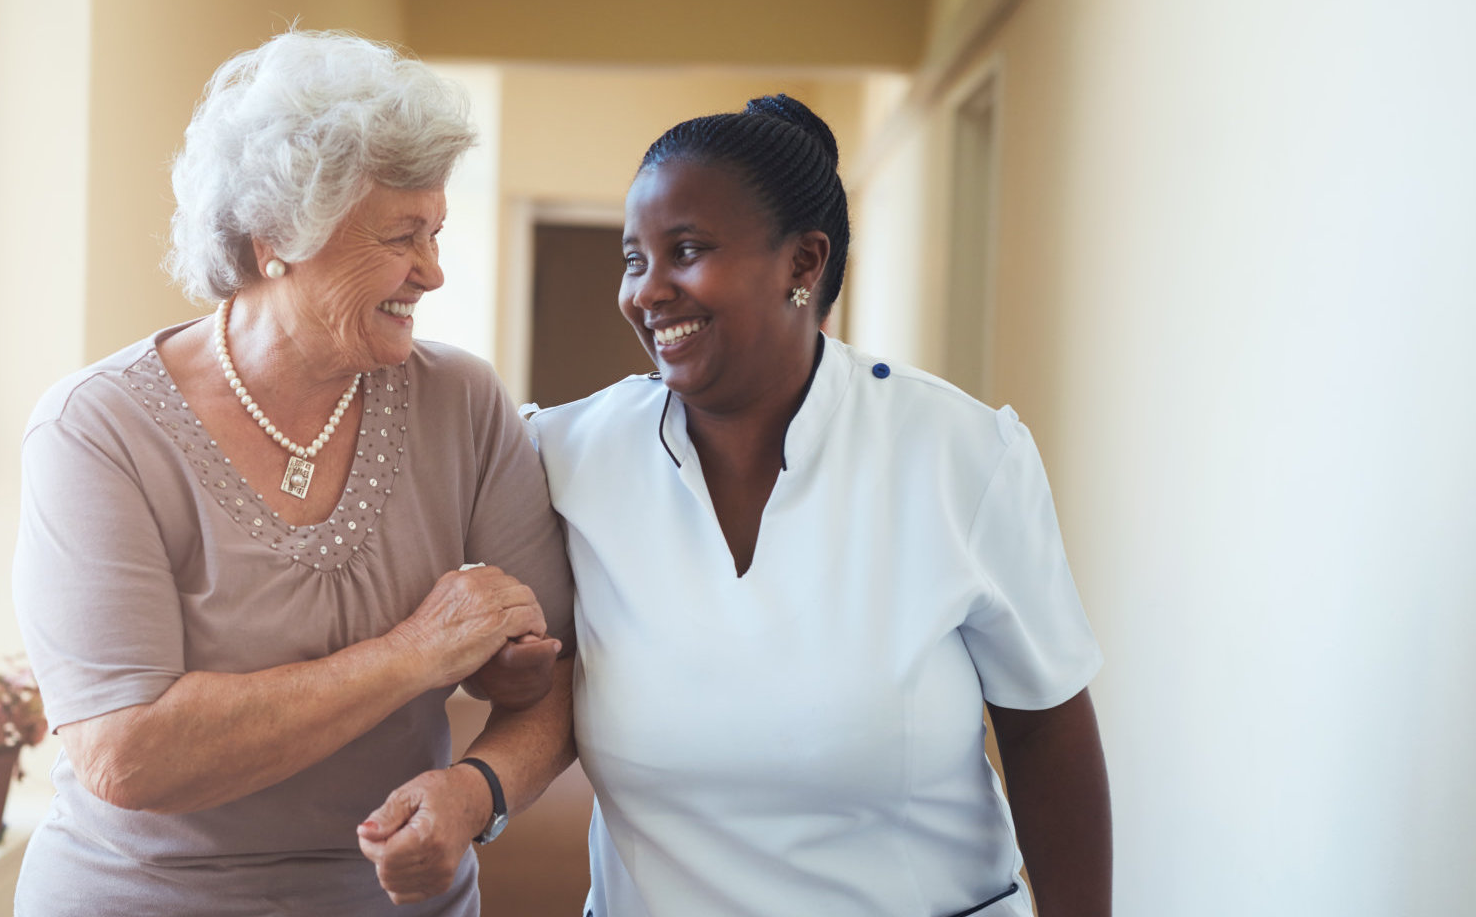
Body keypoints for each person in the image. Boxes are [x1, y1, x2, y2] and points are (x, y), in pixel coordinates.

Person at [369, 95, 1111, 915]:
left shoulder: (959, 456)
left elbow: (1046, 730)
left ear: (804, 263)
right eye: (633, 259)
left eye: (685, 251)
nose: (648, 293)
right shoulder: (565, 454)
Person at [9, 31, 574, 916]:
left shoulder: (459, 400)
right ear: (276, 238)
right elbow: (128, 755)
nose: (431, 271)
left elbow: (565, 675)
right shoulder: (98, 429)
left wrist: (476, 792)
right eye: (402, 236)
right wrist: (415, 654)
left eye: (435, 232)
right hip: (144, 897)